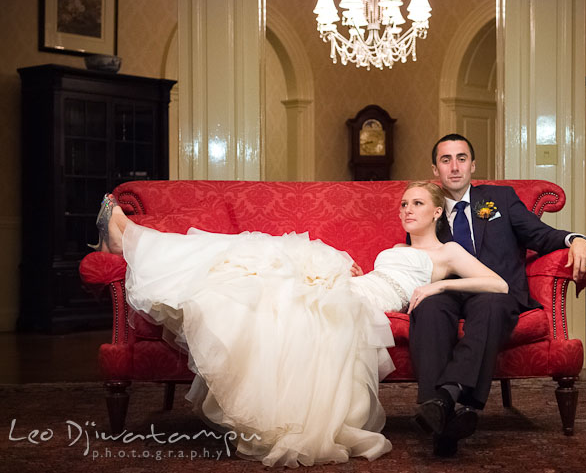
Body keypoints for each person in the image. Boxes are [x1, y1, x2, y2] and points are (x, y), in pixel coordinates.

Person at [91, 181, 508, 467]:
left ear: (438, 210)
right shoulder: (395, 247)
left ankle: (132, 237)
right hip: (353, 285)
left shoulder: (448, 251)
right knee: (251, 261)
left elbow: (498, 283)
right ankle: (134, 241)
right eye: (403, 203)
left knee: (264, 272)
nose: (407, 210)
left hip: (362, 302)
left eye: (417, 203)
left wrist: (437, 289)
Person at [410, 134, 586, 457]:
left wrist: (578, 240)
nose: (454, 167)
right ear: (435, 170)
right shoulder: (427, 207)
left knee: (491, 305)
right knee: (428, 307)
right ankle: (443, 411)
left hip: (497, 291)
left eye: (461, 158)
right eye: (445, 160)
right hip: (450, 290)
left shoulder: (500, 199)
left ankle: (445, 399)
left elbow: (542, 235)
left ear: (473, 165)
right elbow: (417, 259)